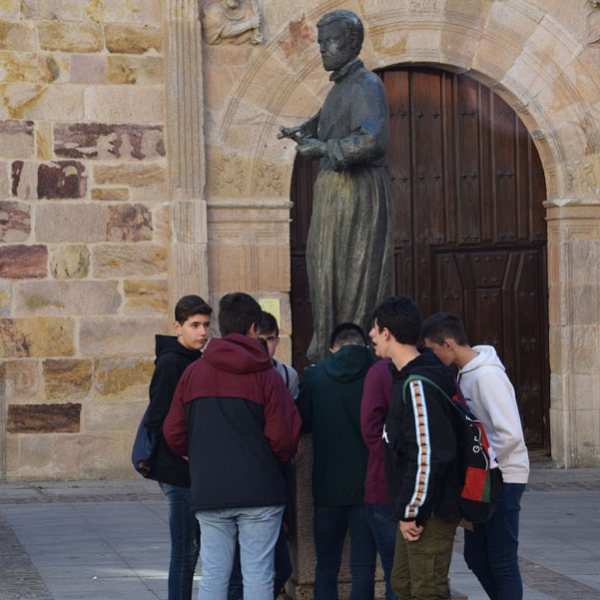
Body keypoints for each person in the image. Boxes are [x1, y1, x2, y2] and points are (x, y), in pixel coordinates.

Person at [163, 292, 301, 600]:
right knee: (258, 573)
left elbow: (173, 432)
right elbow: (285, 437)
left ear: (221, 328)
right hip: (261, 491)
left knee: (214, 572)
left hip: (210, 488)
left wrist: (198, 457)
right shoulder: (267, 376)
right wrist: (267, 460)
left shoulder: (193, 373)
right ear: (253, 328)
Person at [278, 9, 394, 363]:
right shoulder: (343, 87)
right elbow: (339, 120)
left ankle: (351, 351)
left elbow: (372, 139)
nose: (323, 50)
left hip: (355, 193)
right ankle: (330, 347)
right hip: (335, 191)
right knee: (325, 269)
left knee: (349, 273)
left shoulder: (367, 85)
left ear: (353, 43)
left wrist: (325, 148)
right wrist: (310, 130)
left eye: (331, 42)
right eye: (321, 43)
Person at [421, 312, 530, 600]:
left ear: (448, 344)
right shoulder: (465, 373)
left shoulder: (487, 375)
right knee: (476, 556)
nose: (431, 357)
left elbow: (511, 434)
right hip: (483, 476)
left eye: (432, 350)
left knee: (501, 558)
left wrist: (482, 463)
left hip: (503, 476)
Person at [369, 296, 461, 600]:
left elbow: (427, 453)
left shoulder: (417, 383)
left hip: (427, 512)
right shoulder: (406, 378)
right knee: (404, 585)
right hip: (415, 509)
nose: (370, 335)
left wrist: (411, 511)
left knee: (426, 591)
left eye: (375, 328)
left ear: (387, 333)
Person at [296, 323, 377, 600]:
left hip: (327, 487)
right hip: (369, 486)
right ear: (364, 346)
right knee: (363, 566)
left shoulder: (315, 376)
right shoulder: (378, 374)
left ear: (332, 348)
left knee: (326, 566)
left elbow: (301, 420)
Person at [144, 294, 212, 600]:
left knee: (193, 547)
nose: (202, 332)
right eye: (194, 325)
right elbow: (157, 418)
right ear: (178, 326)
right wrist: (184, 452)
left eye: (206, 325)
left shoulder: (196, 360)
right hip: (176, 471)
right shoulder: (171, 362)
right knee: (184, 548)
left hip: (192, 469)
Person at [360, 358, 398, 600]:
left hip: (386, 488)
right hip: (427, 489)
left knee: (396, 576)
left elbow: (371, 431)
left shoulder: (379, 372)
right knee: (430, 578)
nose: (371, 336)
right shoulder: (435, 366)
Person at [257, 310, 300, 399]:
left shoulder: (289, 375)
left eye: (270, 339)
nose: (265, 345)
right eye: (259, 340)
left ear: (277, 341)